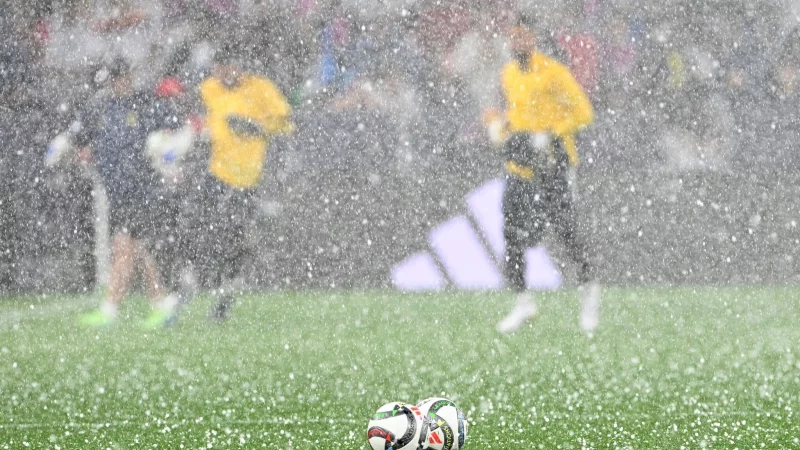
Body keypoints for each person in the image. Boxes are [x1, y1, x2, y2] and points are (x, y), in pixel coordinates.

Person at [492, 21, 600, 334]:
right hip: (521, 165)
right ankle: (523, 302)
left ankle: (589, 291)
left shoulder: (553, 72)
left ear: (533, 38)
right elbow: (517, 114)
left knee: (566, 230)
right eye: (511, 36)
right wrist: (504, 128)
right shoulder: (509, 74)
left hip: (554, 163)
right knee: (512, 233)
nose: (516, 41)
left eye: (521, 35)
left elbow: (583, 112)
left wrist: (551, 134)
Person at [195, 45, 293, 321]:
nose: (223, 73)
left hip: (248, 179)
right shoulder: (209, 89)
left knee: (234, 239)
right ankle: (198, 284)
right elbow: (199, 116)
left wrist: (257, 127)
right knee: (201, 232)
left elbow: (286, 122)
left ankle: (226, 295)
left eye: (228, 66)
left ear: (239, 65)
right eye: (218, 67)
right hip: (215, 174)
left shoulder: (260, 88)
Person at [78, 57, 178, 328]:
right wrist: (83, 150)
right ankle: (162, 304)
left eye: (125, 77)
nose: (121, 83)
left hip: (143, 189)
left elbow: (176, 127)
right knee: (138, 250)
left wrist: (168, 151)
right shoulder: (100, 108)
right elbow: (81, 140)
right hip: (117, 192)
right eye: (116, 78)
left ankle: (111, 309)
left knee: (125, 248)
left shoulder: (146, 104)